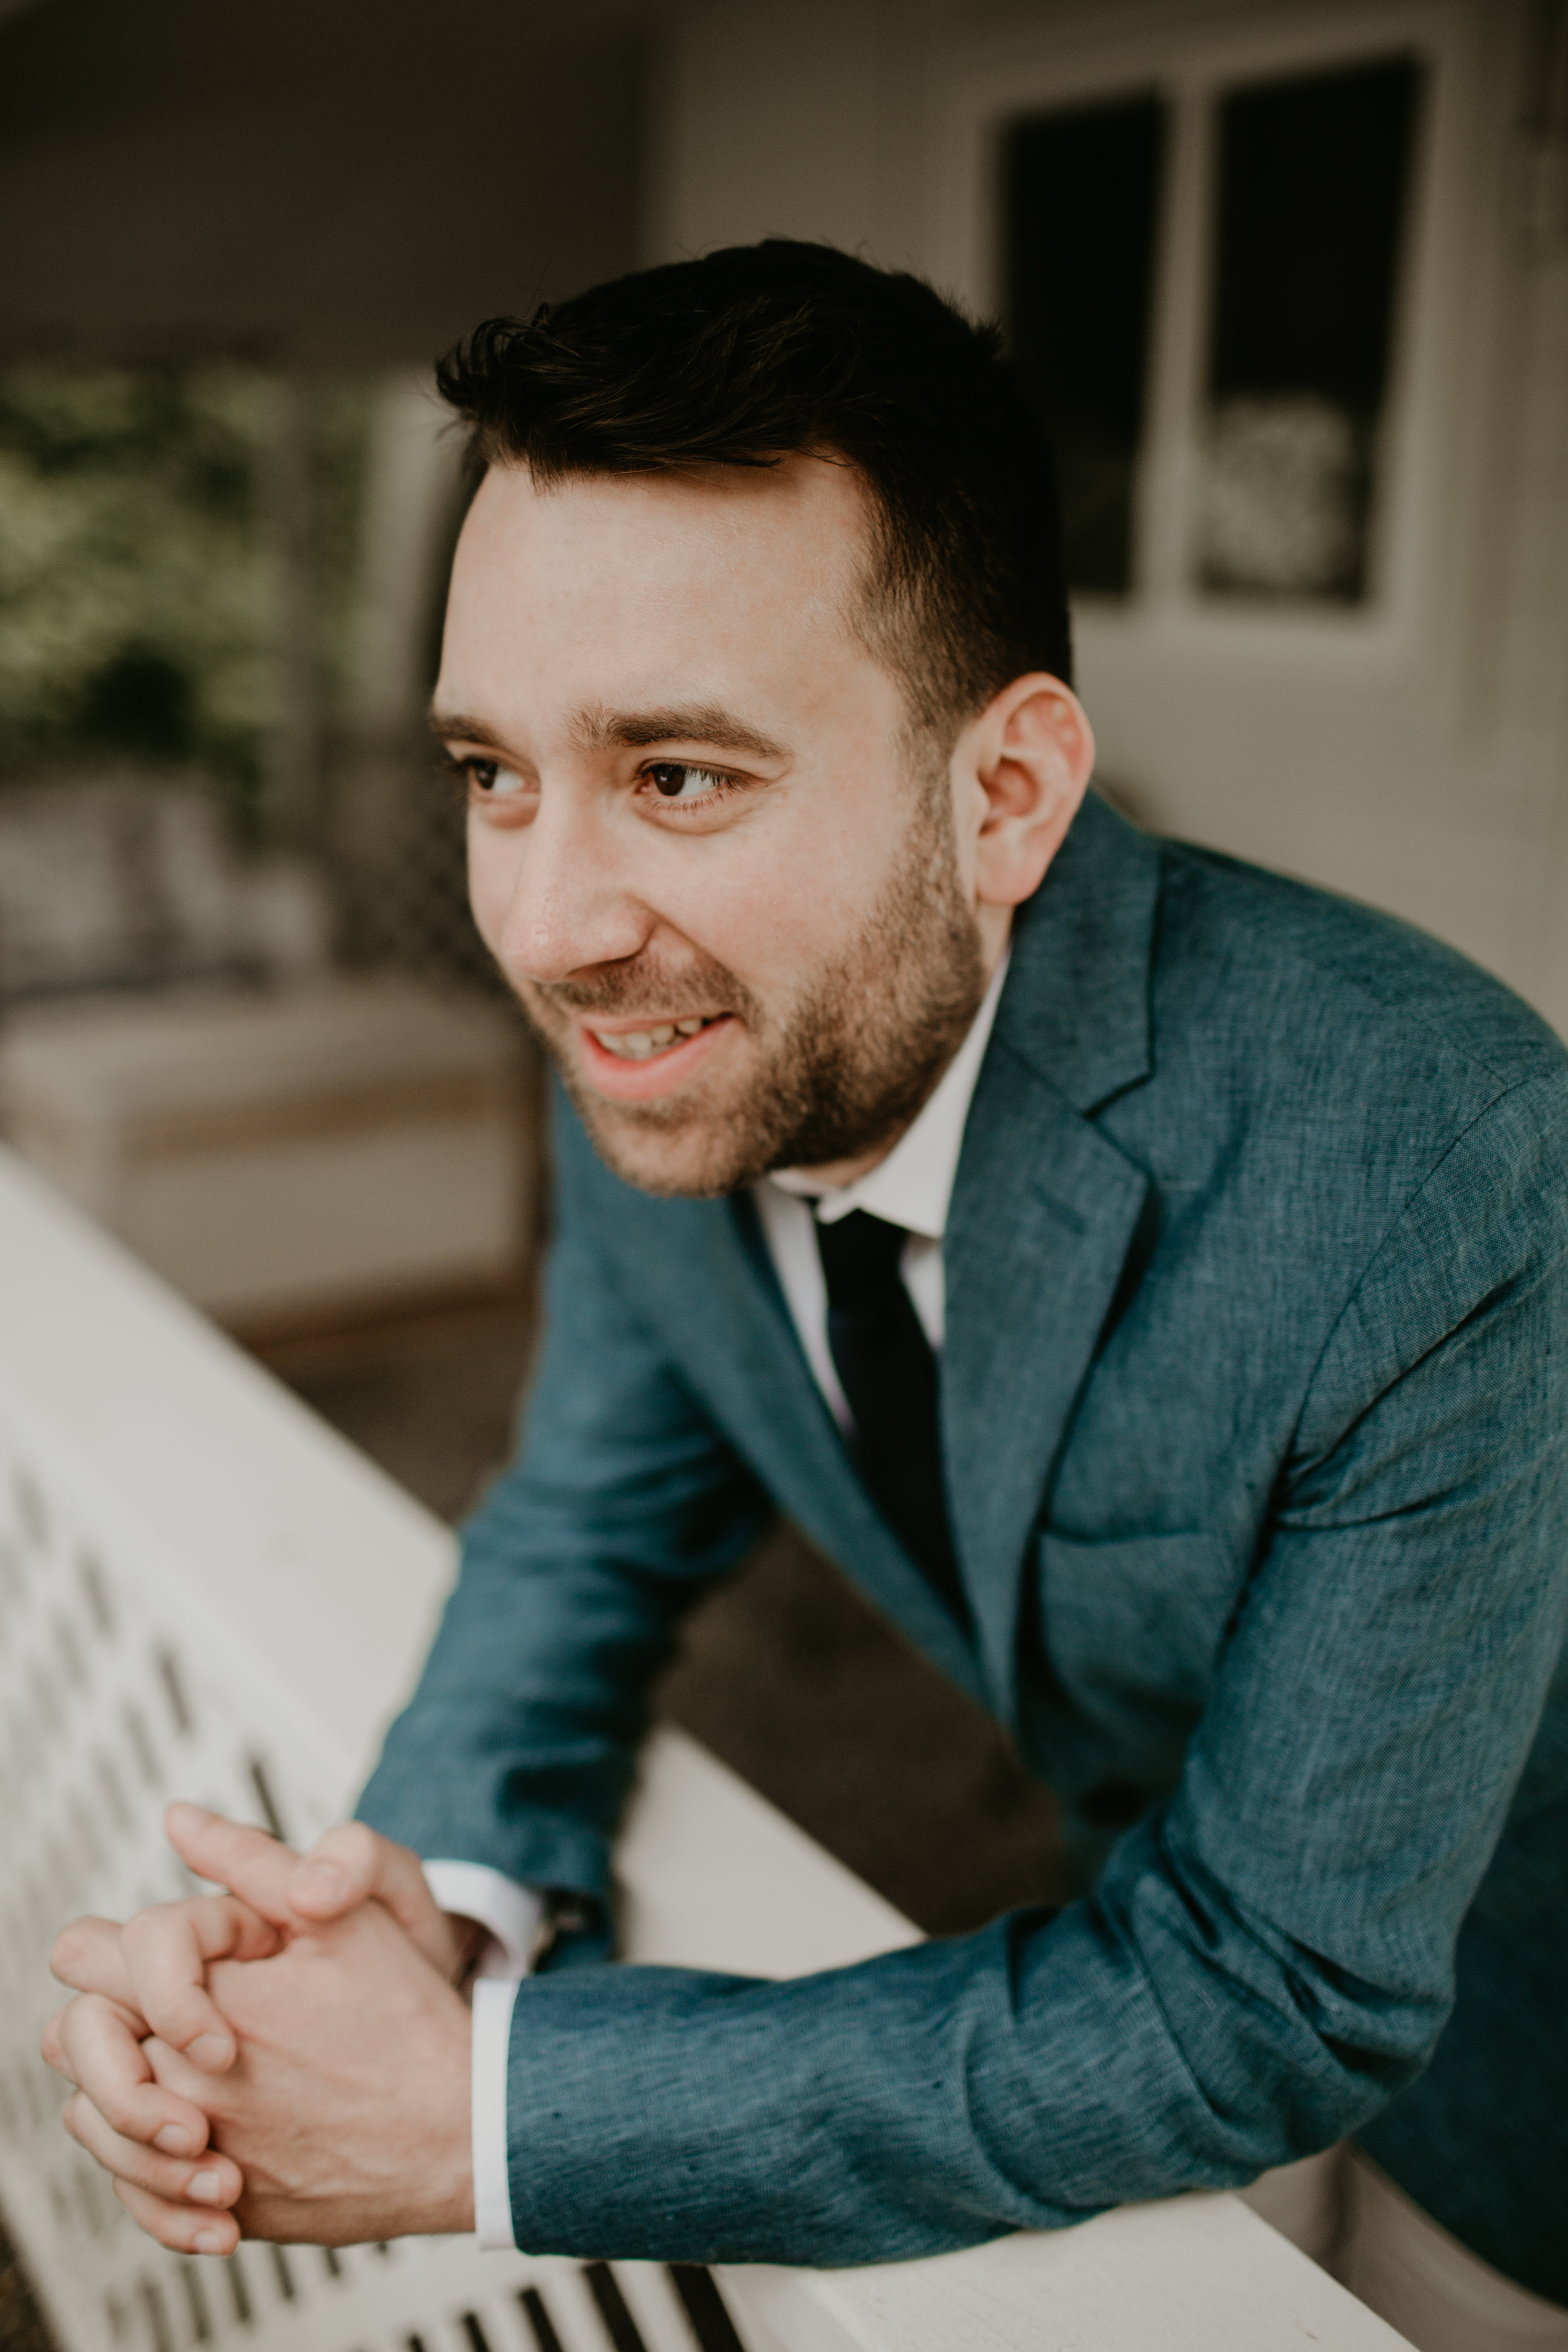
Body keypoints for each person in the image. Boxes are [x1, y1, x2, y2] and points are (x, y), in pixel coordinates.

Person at [42, 241, 1568, 2345]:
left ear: (1004, 794)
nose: (553, 925)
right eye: (494, 772)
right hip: (1138, 1887)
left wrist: (479, 2113)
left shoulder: (1435, 1167)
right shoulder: (685, 1035)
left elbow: (1273, 1990)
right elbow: (583, 1526)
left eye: (677, 774)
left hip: (1519, 2031)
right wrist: (425, 1919)